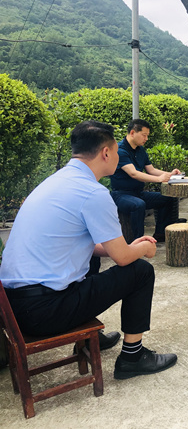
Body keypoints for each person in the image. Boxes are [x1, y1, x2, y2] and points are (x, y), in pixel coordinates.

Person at [0, 120, 177, 379]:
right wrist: (142, 250)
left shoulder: (55, 181)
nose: (117, 155)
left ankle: (90, 335)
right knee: (140, 271)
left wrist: (128, 247)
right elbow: (123, 258)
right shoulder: (92, 192)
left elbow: (82, 244)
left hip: (15, 308)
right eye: (115, 150)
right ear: (106, 153)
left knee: (92, 261)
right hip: (45, 312)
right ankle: (133, 357)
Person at [110, 119, 182, 242]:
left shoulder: (140, 150)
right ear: (132, 133)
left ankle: (160, 234)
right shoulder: (120, 150)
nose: (146, 139)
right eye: (144, 135)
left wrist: (170, 174)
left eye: (147, 135)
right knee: (139, 205)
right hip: (121, 195)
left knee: (168, 198)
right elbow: (133, 173)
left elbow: (151, 170)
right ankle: (138, 241)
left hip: (138, 193)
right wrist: (159, 179)